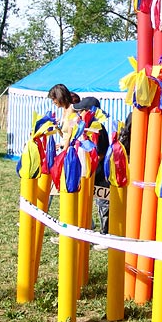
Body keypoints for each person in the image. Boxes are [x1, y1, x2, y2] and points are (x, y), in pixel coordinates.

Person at [72, 96, 110, 250]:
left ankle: (106, 236)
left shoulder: (97, 128)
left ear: (89, 111)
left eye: (80, 111)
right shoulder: (85, 127)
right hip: (89, 174)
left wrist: (89, 161)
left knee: (103, 206)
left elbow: (100, 153)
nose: (78, 114)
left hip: (101, 175)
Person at [48, 84, 80, 149]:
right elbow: (65, 136)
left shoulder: (72, 111)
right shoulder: (64, 110)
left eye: (54, 99)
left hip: (71, 151)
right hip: (65, 148)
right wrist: (57, 128)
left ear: (59, 97)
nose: (53, 102)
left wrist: (64, 154)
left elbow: (70, 136)